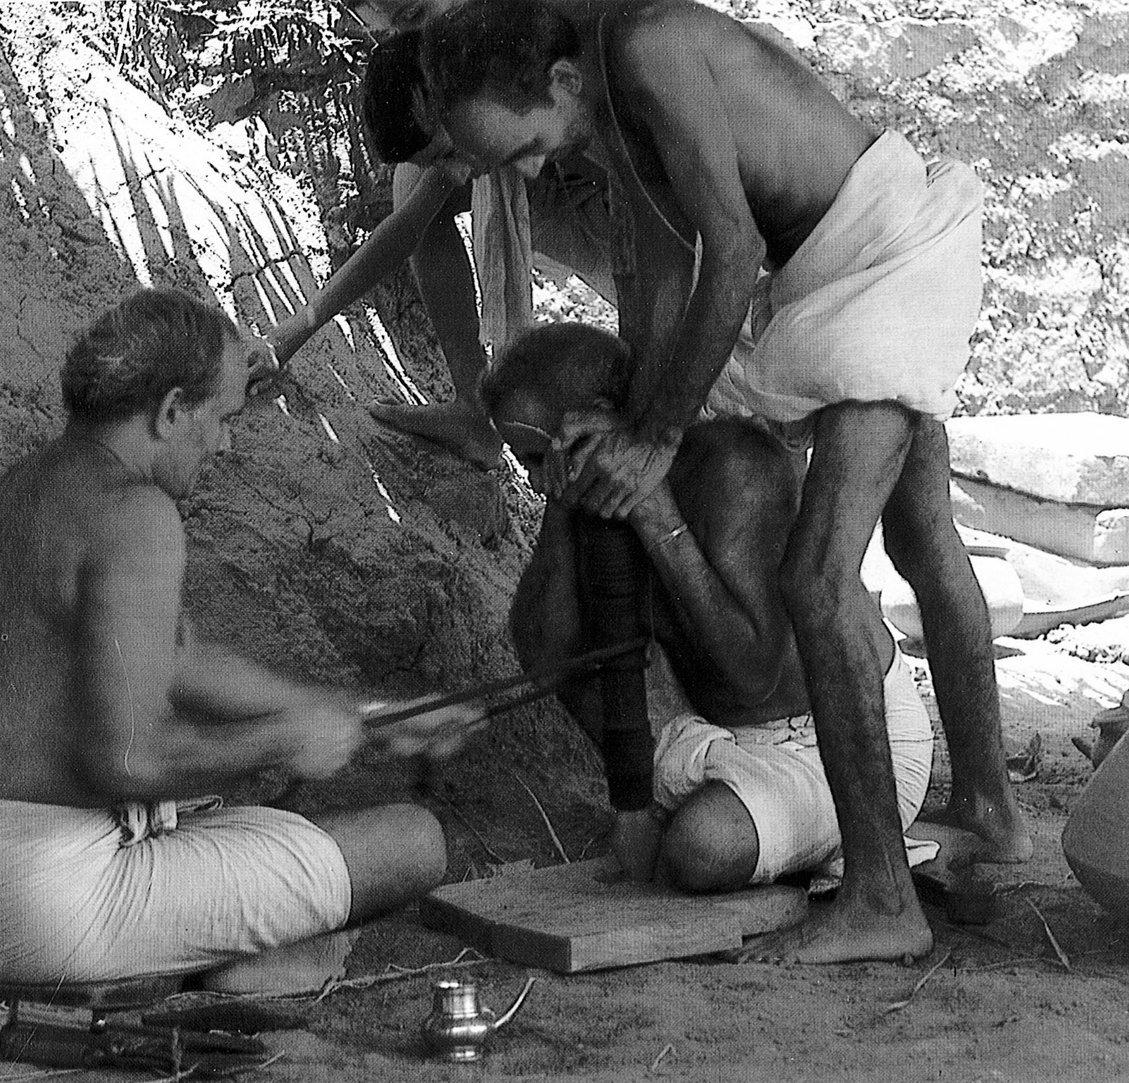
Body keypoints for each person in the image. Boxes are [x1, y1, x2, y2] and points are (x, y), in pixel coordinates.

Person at [421, 0, 1031, 964]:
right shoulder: (614, 112)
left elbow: (735, 255)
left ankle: (882, 894)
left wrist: (660, 436)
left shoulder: (647, 50)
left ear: (563, 83)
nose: (534, 175)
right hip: (842, 272)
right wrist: (634, 417)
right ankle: (991, 811)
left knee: (818, 580)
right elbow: (667, 278)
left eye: (528, 145)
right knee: (919, 542)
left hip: (886, 254)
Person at [0, 287, 483, 988]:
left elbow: (180, 661)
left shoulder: (24, 486)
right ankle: (188, 969)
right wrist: (279, 743)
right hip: (58, 899)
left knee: (249, 830)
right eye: (223, 418)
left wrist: (364, 717)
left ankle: (198, 958)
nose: (226, 443)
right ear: (170, 411)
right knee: (413, 842)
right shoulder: (136, 512)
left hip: (26, 876)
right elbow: (128, 760)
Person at [489, 321, 933, 895]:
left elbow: (751, 675)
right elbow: (551, 661)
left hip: (847, 744)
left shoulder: (734, 468)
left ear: (595, 418)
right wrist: (561, 503)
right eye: (529, 464)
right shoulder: (583, 491)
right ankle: (760, 825)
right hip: (729, 742)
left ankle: (822, 838)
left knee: (701, 846)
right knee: (671, 834)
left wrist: (657, 517)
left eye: (536, 455)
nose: (535, 475)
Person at [267, 22, 616, 468]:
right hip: (564, 192)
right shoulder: (475, 101)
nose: (453, 171)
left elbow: (668, 242)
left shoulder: (574, 88)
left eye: (449, 152)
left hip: (647, 232)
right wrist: (293, 332)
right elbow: (406, 226)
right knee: (415, 183)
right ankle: (474, 410)